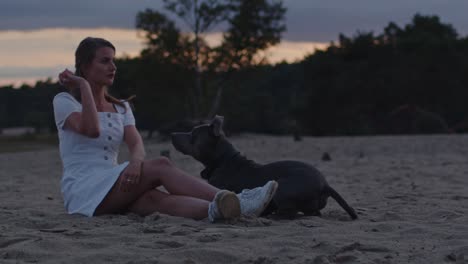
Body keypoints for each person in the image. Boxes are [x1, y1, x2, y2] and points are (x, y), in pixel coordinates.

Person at [53, 37, 278, 222]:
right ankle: (240, 200)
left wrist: (135, 162)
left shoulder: (121, 108)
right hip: (84, 190)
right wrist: (82, 85)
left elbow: (136, 143)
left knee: (154, 200)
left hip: (113, 183)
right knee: (161, 165)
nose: (113, 67)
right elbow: (91, 129)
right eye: (105, 61)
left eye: (114, 61)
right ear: (84, 66)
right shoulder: (65, 102)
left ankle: (219, 209)